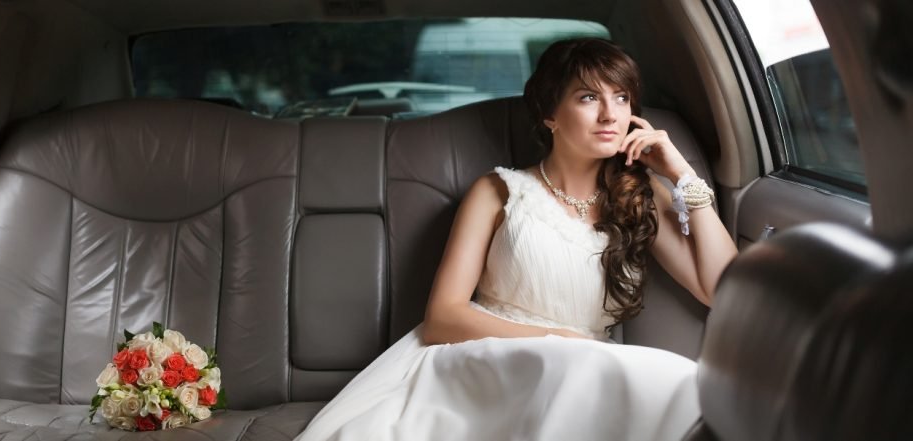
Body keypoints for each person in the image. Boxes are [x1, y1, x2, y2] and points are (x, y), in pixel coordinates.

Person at [294, 38, 738, 441]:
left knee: (680, 383)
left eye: (621, 98)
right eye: (588, 97)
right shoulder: (497, 191)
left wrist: (682, 174)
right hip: (483, 363)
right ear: (550, 114)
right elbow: (442, 318)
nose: (611, 114)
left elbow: (724, 292)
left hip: (583, 373)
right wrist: (559, 341)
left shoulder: (642, 195)